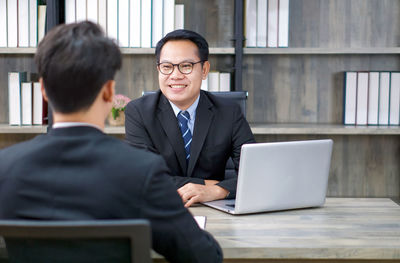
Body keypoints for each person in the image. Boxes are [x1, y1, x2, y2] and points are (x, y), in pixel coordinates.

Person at [0, 22, 222, 263]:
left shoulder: (5, 167)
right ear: (108, 92)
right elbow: (204, 257)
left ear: (43, 90)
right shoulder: (141, 170)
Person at [125, 29, 255, 207]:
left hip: (216, 208)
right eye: (167, 67)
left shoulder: (229, 112)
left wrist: (217, 190)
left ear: (204, 70)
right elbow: (142, 178)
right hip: (159, 208)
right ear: (158, 69)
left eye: (186, 66)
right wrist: (206, 184)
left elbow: (255, 174)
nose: (176, 75)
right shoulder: (138, 112)